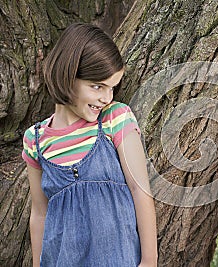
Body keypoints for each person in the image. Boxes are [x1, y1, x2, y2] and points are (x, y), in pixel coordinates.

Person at [22, 23, 157, 267]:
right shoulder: (36, 140)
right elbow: (40, 213)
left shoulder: (115, 119)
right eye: (97, 86)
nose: (106, 98)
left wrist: (149, 260)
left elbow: (140, 190)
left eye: (112, 87)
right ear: (68, 75)